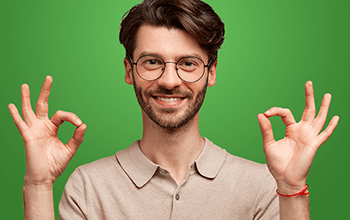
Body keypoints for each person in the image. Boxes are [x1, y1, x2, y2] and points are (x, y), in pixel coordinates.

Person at [8, 0, 339, 219]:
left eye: (188, 63)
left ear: (211, 72)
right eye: (152, 62)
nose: (169, 80)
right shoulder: (88, 187)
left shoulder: (262, 185)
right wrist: (38, 183)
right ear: (129, 70)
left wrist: (293, 186)